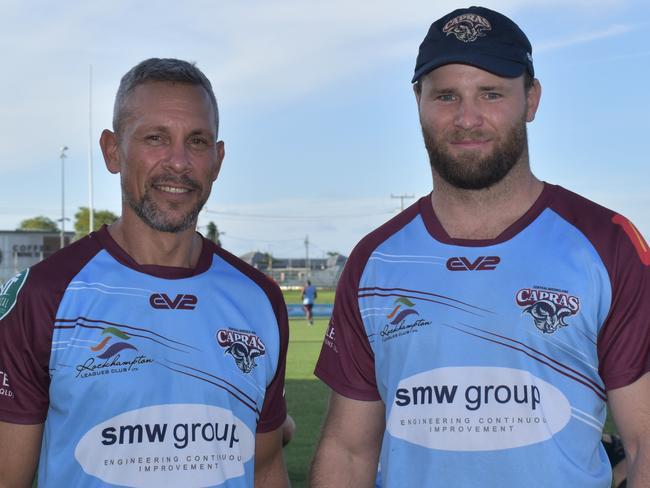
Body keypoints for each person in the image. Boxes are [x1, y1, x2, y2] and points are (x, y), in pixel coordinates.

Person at [310, 6, 650, 487]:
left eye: (491, 94)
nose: (467, 118)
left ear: (531, 99)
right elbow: (347, 452)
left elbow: (643, 446)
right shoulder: (376, 260)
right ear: (418, 102)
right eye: (446, 96)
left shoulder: (606, 244)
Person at [0, 58, 290, 487]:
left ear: (218, 158)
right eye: (155, 138)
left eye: (197, 141)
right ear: (112, 151)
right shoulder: (44, 295)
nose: (178, 162)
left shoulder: (259, 299)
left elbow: (265, 468)